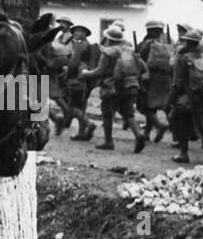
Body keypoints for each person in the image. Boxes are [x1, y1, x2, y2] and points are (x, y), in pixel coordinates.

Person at [80, 23, 148, 152]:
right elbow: (143, 69)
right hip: (129, 86)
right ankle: (138, 134)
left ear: (109, 39)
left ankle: (108, 141)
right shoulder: (130, 51)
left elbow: (99, 71)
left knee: (107, 114)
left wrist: (85, 73)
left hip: (111, 87)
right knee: (128, 114)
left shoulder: (108, 52)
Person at [168, 27, 203, 163]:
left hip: (187, 95)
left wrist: (171, 99)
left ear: (186, 42)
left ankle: (183, 154)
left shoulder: (183, 58)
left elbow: (177, 82)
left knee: (183, 122)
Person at [136, 19, 174, 143]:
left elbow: (138, 60)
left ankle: (159, 125)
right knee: (155, 106)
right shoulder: (168, 43)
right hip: (165, 78)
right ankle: (147, 133)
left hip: (149, 78)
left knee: (146, 106)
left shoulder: (145, 44)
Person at [63, 24, 99, 141]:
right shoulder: (88, 45)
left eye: (78, 31)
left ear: (84, 33)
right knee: (81, 105)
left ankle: (88, 124)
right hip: (86, 78)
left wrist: (67, 76)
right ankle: (81, 132)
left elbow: (73, 62)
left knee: (72, 106)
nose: (75, 34)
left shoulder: (80, 45)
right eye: (74, 32)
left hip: (77, 78)